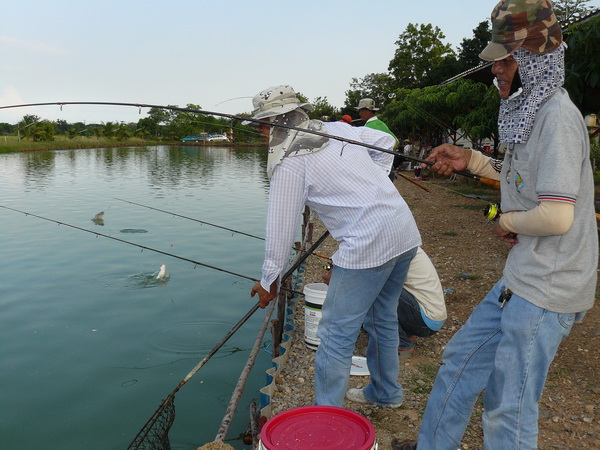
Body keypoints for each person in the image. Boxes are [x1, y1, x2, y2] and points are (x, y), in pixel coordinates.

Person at [392, 1, 598, 449]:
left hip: (548, 288)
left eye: (505, 60)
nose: (497, 71)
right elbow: (523, 177)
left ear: (533, 58)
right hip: (522, 276)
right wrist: (472, 160)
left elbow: (557, 216)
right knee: (458, 362)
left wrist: (508, 220)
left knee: (510, 404)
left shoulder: (558, 119)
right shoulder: (530, 110)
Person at [248, 85, 422, 409]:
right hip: (403, 231)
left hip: (368, 247)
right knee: (382, 317)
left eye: (262, 124)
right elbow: (386, 141)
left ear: (272, 123)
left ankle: (328, 419)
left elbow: (280, 230)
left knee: (334, 336)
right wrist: (374, 183)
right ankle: (386, 393)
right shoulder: (338, 129)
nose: (260, 132)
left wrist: (270, 280)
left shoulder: (289, 162)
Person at [322, 247, 447, 358]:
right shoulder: (399, 243)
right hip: (424, 316)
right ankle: (405, 333)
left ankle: (401, 344)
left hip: (425, 320)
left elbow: (365, 280)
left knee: (375, 290)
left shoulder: (392, 250)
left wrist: (339, 278)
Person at [355, 98, 399, 179]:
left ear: (368, 111)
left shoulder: (369, 127)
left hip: (377, 172)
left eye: (361, 110)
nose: (359, 114)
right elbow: (396, 141)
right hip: (388, 169)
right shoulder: (381, 124)